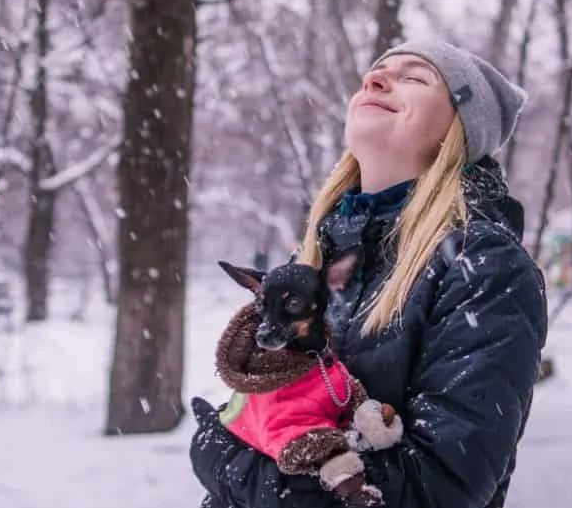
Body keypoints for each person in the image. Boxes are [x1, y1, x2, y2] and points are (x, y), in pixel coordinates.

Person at [190, 41, 549, 508]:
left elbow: (440, 484)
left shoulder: (483, 265)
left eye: (415, 77)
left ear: (458, 131)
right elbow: (261, 412)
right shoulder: (320, 254)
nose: (374, 80)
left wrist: (230, 466)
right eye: (375, 73)